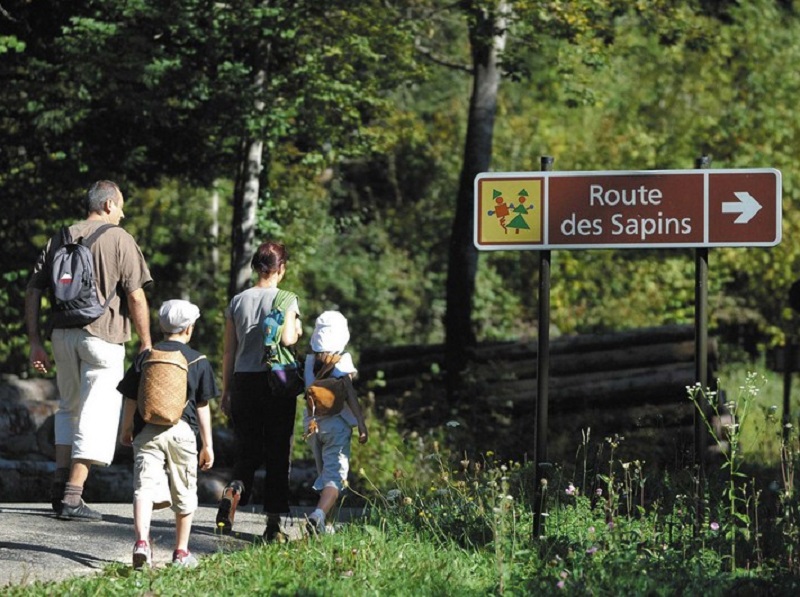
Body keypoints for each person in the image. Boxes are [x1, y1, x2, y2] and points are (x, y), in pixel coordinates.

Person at [25, 180, 152, 521]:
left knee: (68, 409)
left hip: (62, 335)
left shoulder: (59, 237)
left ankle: (57, 486)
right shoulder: (119, 238)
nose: (123, 213)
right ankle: (72, 496)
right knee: (98, 415)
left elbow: (33, 290)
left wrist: (35, 340)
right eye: (121, 205)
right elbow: (136, 295)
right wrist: (146, 341)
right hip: (103, 336)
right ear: (108, 204)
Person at [117, 299, 217, 569]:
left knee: (144, 487)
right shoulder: (198, 360)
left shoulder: (145, 357)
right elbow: (202, 406)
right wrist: (207, 444)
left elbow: (130, 399)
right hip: (182, 432)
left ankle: (141, 543)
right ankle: (181, 552)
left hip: (147, 430)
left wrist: (126, 429)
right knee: (185, 490)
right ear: (189, 329)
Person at [216, 240, 302, 541]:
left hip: (243, 382)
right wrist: (298, 328)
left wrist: (226, 392)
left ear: (257, 267)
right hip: (276, 383)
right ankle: (273, 525)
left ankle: (234, 490)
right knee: (278, 451)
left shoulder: (237, 301)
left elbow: (228, 352)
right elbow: (290, 340)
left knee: (247, 450)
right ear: (281, 269)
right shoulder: (287, 299)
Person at [303, 310, 368, 536]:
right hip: (336, 427)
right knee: (334, 478)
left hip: (311, 426)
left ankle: (325, 524)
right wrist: (361, 423)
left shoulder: (308, 361)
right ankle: (318, 515)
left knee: (324, 473)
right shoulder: (343, 361)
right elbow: (349, 395)